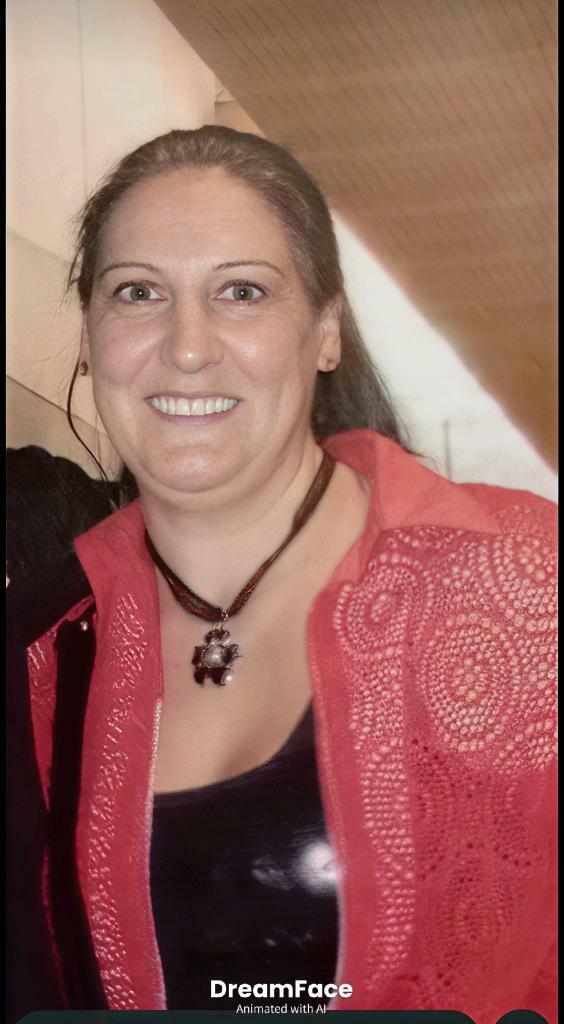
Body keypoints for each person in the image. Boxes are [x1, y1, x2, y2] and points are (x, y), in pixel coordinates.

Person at [8, 126, 556, 1021]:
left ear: (326, 330)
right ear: (90, 334)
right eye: (138, 292)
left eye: (242, 292)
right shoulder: (45, 656)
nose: (188, 347)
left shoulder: (524, 585)